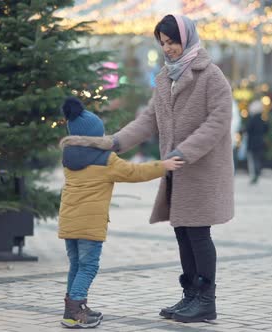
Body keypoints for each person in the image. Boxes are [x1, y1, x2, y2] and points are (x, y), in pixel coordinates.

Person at [61, 14, 233, 323]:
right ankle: (191, 295)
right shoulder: (166, 79)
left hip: (200, 170)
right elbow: (148, 120)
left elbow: (218, 121)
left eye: (172, 42)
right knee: (182, 232)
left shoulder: (211, 76)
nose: (168, 49)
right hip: (176, 170)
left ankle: (206, 300)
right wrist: (115, 142)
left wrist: (185, 151)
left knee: (197, 233)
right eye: (163, 43)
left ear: (187, 39)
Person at [58, 97, 184, 328]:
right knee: (89, 266)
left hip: (69, 222)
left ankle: (74, 307)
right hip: (89, 225)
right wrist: (163, 166)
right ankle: (74, 311)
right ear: (96, 136)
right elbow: (134, 172)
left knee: (76, 265)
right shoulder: (105, 159)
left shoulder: (68, 157)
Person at [245, 100, 269, 184]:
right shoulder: (262, 119)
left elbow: (247, 129)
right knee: (257, 159)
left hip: (252, 142)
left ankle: (254, 175)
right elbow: (266, 129)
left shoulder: (252, 119)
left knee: (252, 160)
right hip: (260, 142)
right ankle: (257, 173)